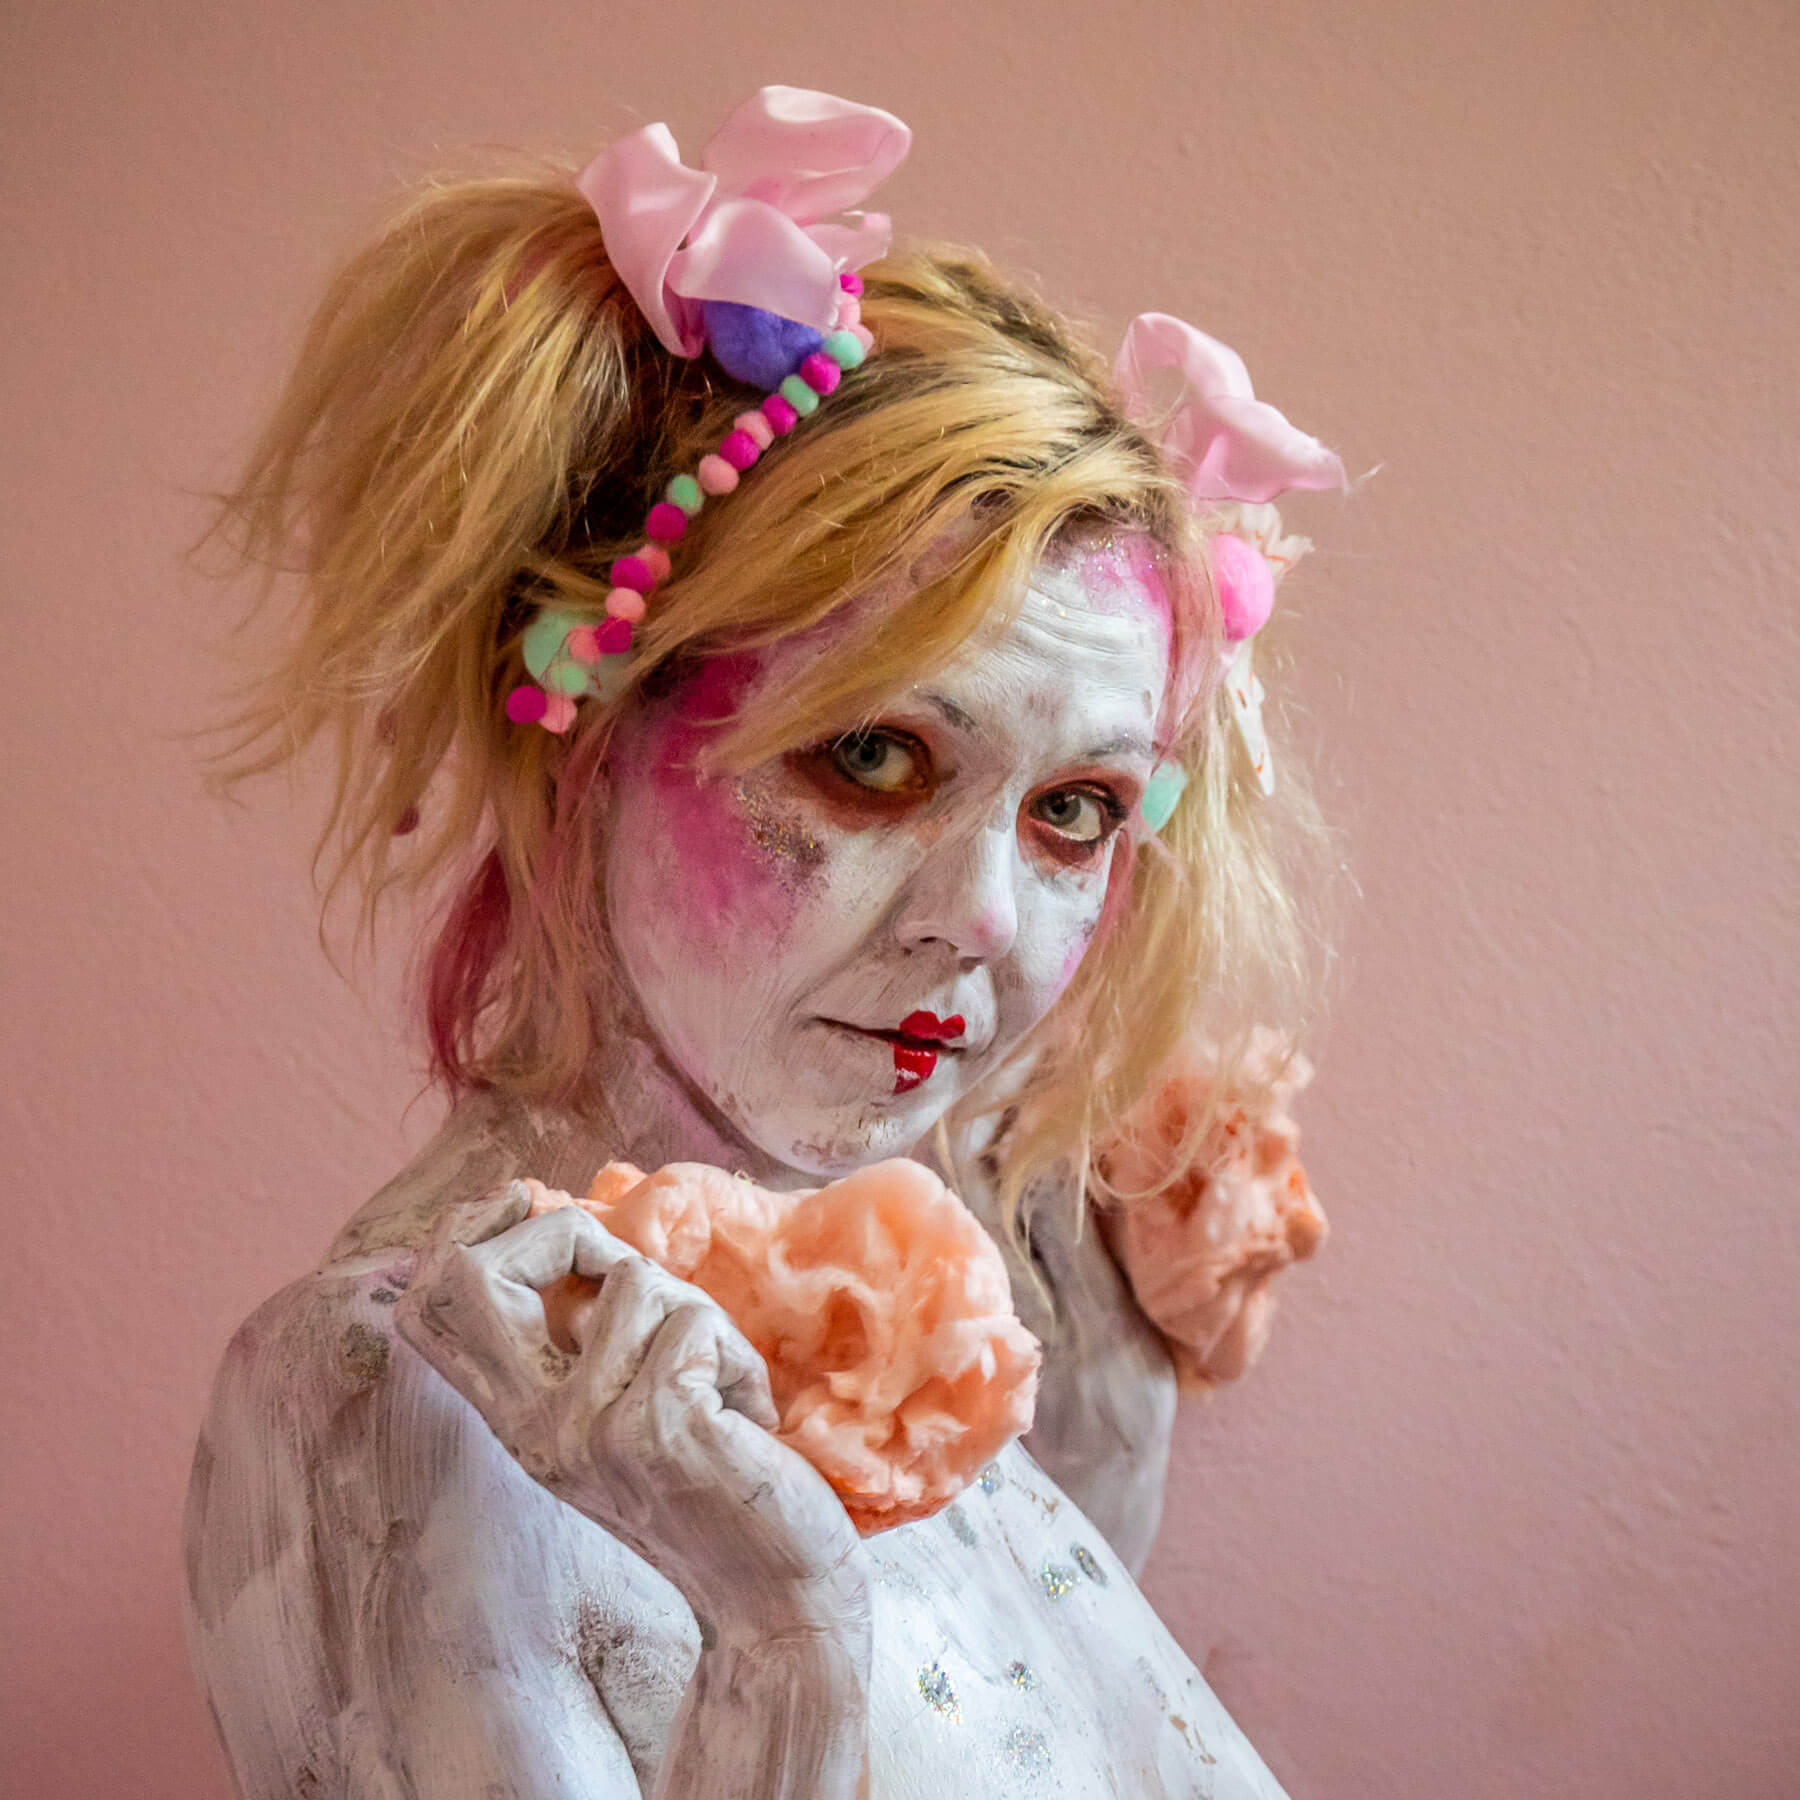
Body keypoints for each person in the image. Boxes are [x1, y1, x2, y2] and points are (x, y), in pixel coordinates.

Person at [183, 86, 1342, 1799]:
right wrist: (780, 1636)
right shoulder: (394, 1388)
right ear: (586, 728)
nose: (987, 920)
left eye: (1078, 809)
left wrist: (1108, 1362)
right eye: (873, 756)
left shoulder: (909, 1323)